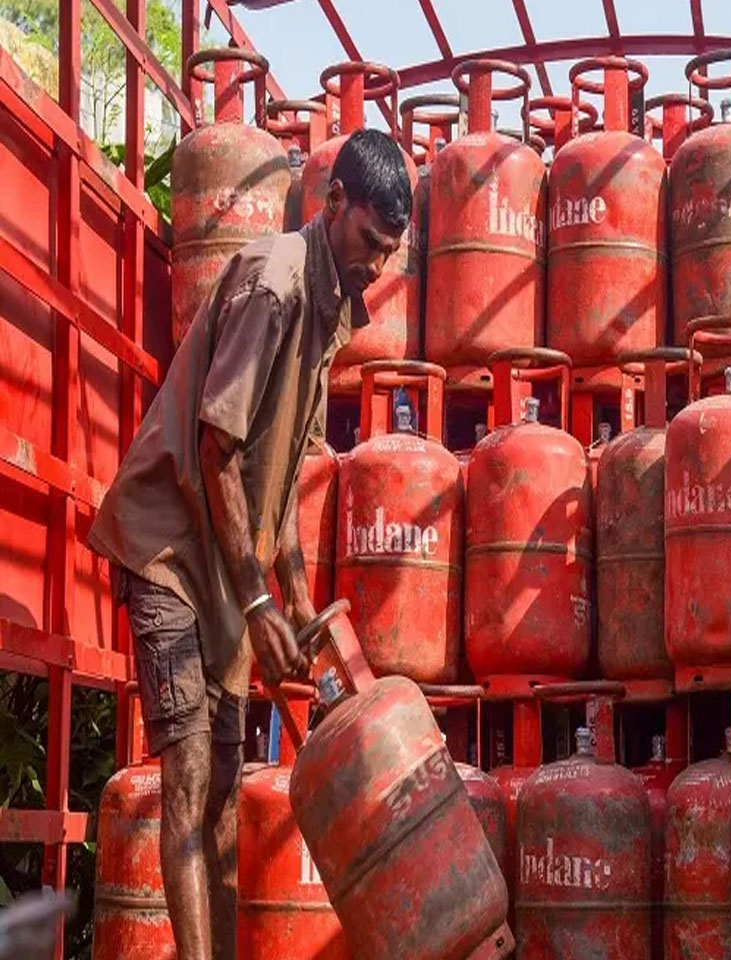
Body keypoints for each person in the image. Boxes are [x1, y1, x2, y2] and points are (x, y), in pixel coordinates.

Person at [88, 128, 412, 960]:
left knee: (227, 795)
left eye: (390, 251)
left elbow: (279, 481)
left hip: (226, 563)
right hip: (168, 548)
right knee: (191, 776)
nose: (376, 264)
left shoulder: (333, 308)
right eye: (370, 241)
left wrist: (298, 605)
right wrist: (262, 599)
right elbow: (217, 449)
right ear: (333, 204)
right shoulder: (275, 284)